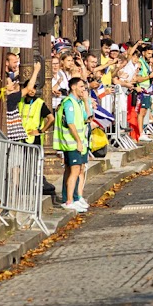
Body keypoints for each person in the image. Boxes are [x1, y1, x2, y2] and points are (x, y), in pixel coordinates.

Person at [55, 75, 92, 212]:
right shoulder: (69, 102)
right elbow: (70, 123)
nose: (83, 89)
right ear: (73, 87)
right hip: (71, 143)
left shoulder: (78, 102)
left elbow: (88, 117)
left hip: (79, 142)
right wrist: (77, 141)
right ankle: (69, 200)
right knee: (74, 170)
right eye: (81, 86)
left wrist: (86, 101)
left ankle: (75, 197)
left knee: (78, 169)